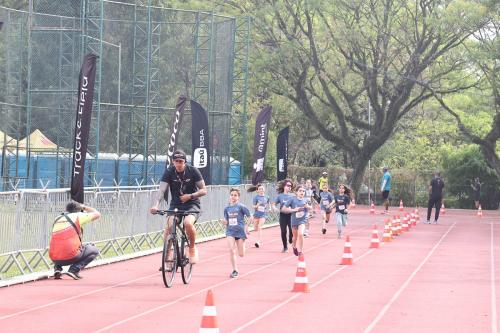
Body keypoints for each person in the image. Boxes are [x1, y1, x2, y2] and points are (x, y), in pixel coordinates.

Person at [150, 149, 207, 264]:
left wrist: (190, 196)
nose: (179, 164)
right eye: (176, 161)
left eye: (181, 161)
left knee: (187, 223)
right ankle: (168, 253)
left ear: (185, 162)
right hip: (176, 204)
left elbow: (204, 190)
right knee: (170, 225)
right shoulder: (169, 171)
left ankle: (191, 248)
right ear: (173, 162)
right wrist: (155, 205)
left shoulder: (193, 171)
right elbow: (162, 190)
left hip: (192, 204)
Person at [49, 201, 101, 280]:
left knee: (60, 243)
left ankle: (57, 269)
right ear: (79, 209)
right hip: (70, 256)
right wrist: (83, 207)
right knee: (94, 250)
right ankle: (74, 270)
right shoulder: (78, 216)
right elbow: (97, 214)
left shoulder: (58, 218)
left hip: (54, 257)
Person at [221, 188, 252, 278]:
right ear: (229, 196)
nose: (233, 197)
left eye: (235, 195)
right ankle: (235, 270)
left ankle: (243, 243)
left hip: (240, 231)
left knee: (241, 254)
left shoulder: (241, 207)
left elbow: (250, 217)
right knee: (231, 249)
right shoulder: (227, 208)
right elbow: (227, 220)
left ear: (238, 197)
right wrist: (224, 222)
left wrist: (246, 227)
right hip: (230, 231)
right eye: (232, 195)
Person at [283, 185, 312, 256]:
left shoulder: (306, 200)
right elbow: (284, 209)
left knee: (301, 234)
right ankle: (294, 246)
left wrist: (307, 207)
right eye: (300, 191)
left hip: (302, 221)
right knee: (295, 237)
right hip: (294, 221)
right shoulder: (292, 199)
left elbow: (311, 207)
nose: (302, 192)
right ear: (296, 192)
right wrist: (293, 210)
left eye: (303, 191)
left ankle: (300, 251)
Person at [272, 179, 294, 253]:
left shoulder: (292, 196)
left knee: (291, 230)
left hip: (291, 215)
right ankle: (285, 247)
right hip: (283, 215)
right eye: (288, 186)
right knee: (283, 231)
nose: (289, 187)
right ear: (284, 186)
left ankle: (291, 237)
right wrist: (274, 208)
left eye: (290, 186)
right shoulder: (280, 196)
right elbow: (274, 204)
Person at [251, 184, 270, 248]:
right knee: (255, 228)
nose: (261, 190)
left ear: (264, 189)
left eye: (262, 189)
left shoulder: (267, 197)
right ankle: (258, 239)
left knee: (259, 227)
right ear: (257, 191)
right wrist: (257, 205)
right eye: (260, 189)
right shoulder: (256, 197)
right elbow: (253, 206)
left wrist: (269, 208)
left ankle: (258, 241)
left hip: (263, 215)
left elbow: (268, 203)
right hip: (256, 214)